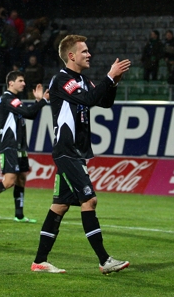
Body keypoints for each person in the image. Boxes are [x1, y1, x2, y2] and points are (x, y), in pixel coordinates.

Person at [31, 35, 131, 274]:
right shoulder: (62, 80)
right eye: (84, 51)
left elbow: (103, 102)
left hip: (76, 152)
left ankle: (39, 261)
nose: (89, 54)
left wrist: (114, 82)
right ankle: (104, 260)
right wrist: (108, 76)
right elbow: (88, 99)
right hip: (68, 152)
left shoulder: (83, 80)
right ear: (71, 55)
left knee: (60, 206)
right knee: (89, 200)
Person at [0, 71, 49, 223]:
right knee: (8, 181)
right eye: (20, 81)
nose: (24, 83)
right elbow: (27, 112)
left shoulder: (15, 100)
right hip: (10, 145)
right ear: (11, 83)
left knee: (21, 179)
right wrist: (43, 101)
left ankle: (19, 215)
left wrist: (38, 101)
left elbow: (30, 115)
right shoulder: (7, 98)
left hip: (20, 146)